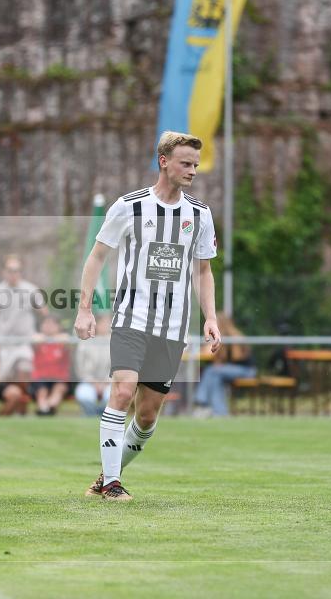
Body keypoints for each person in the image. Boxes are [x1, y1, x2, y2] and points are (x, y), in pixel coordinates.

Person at [74, 131, 221, 501]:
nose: (192, 171)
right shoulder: (129, 206)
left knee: (147, 415)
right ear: (164, 161)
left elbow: (203, 271)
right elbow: (96, 257)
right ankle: (112, 485)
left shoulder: (200, 215)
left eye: (195, 165)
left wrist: (211, 318)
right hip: (131, 318)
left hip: (173, 328)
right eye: (186, 163)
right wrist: (85, 309)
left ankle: (106, 477)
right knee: (123, 391)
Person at [0, 255, 48, 406]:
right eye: (10, 270)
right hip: (3, 344)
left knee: (24, 370)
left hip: (24, 343)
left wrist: (41, 334)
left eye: (17, 270)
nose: (13, 273)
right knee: (1, 378)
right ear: (4, 272)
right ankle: (8, 406)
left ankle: (21, 403)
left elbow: (45, 314)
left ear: (21, 272)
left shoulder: (31, 290)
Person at [193, 314, 255, 417]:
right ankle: (220, 412)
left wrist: (220, 355)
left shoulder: (234, 336)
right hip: (228, 370)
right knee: (215, 377)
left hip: (247, 370)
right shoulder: (219, 337)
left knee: (211, 371)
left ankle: (201, 400)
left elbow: (237, 358)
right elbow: (210, 354)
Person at [30, 314, 71, 416]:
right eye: (46, 324)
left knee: (59, 389)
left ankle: (48, 408)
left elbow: (67, 341)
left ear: (59, 327)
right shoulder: (38, 340)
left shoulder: (63, 340)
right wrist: (46, 338)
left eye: (52, 324)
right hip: (41, 378)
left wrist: (55, 338)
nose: (49, 327)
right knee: (42, 391)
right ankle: (44, 408)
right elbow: (34, 340)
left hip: (59, 378)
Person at [73, 314, 112, 416]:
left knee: (111, 396)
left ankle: (103, 416)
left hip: (110, 383)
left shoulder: (116, 342)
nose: (105, 326)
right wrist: (93, 382)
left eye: (107, 323)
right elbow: (80, 367)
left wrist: (105, 382)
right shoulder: (85, 342)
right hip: (89, 382)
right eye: (102, 323)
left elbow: (117, 368)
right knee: (83, 395)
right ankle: (91, 415)